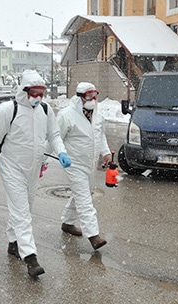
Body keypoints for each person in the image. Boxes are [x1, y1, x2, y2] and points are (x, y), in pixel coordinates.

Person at [0, 69, 71, 278]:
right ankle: (30, 257)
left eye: (41, 93)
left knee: (24, 209)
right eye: (34, 93)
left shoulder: (45, 110)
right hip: (12, 168)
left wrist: (62, 153)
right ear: (24, 90)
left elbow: (54, 135)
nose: (38, 98)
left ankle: (13, 243)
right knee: (22, 213)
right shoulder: (7, 110)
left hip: (33, 169)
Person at [56, 82, 111, 250]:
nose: (93, 99)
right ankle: (93, 235)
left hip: (90, 163)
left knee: (83, 193)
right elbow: (54, 137)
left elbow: (100, 137)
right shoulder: (66, 115)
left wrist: (106, 153)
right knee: (85, 199)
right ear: (80, 96)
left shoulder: (98, 116)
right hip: (73, 163)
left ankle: (67, 223)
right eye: (88, 96)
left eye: (95, 95)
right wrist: (43, 160)